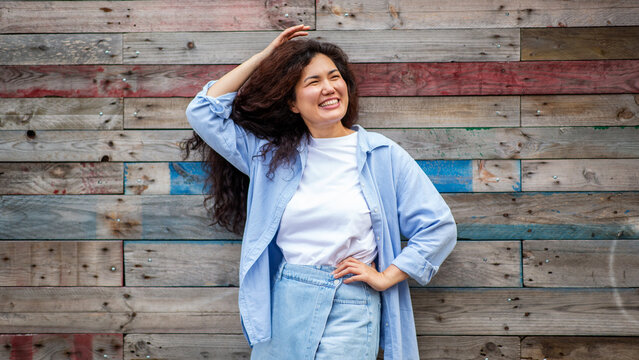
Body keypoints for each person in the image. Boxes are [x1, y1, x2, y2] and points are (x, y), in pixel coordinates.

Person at [182, 25, 457, 360]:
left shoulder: (382, 155)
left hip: (352, 302)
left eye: (334, 77)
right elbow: (203, 111)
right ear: (293, 103)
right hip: (285, 301)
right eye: (313, 82)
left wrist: (386, 277)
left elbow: (438, 226)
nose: (329, 88)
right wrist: (264, 58)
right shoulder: (269, 158)